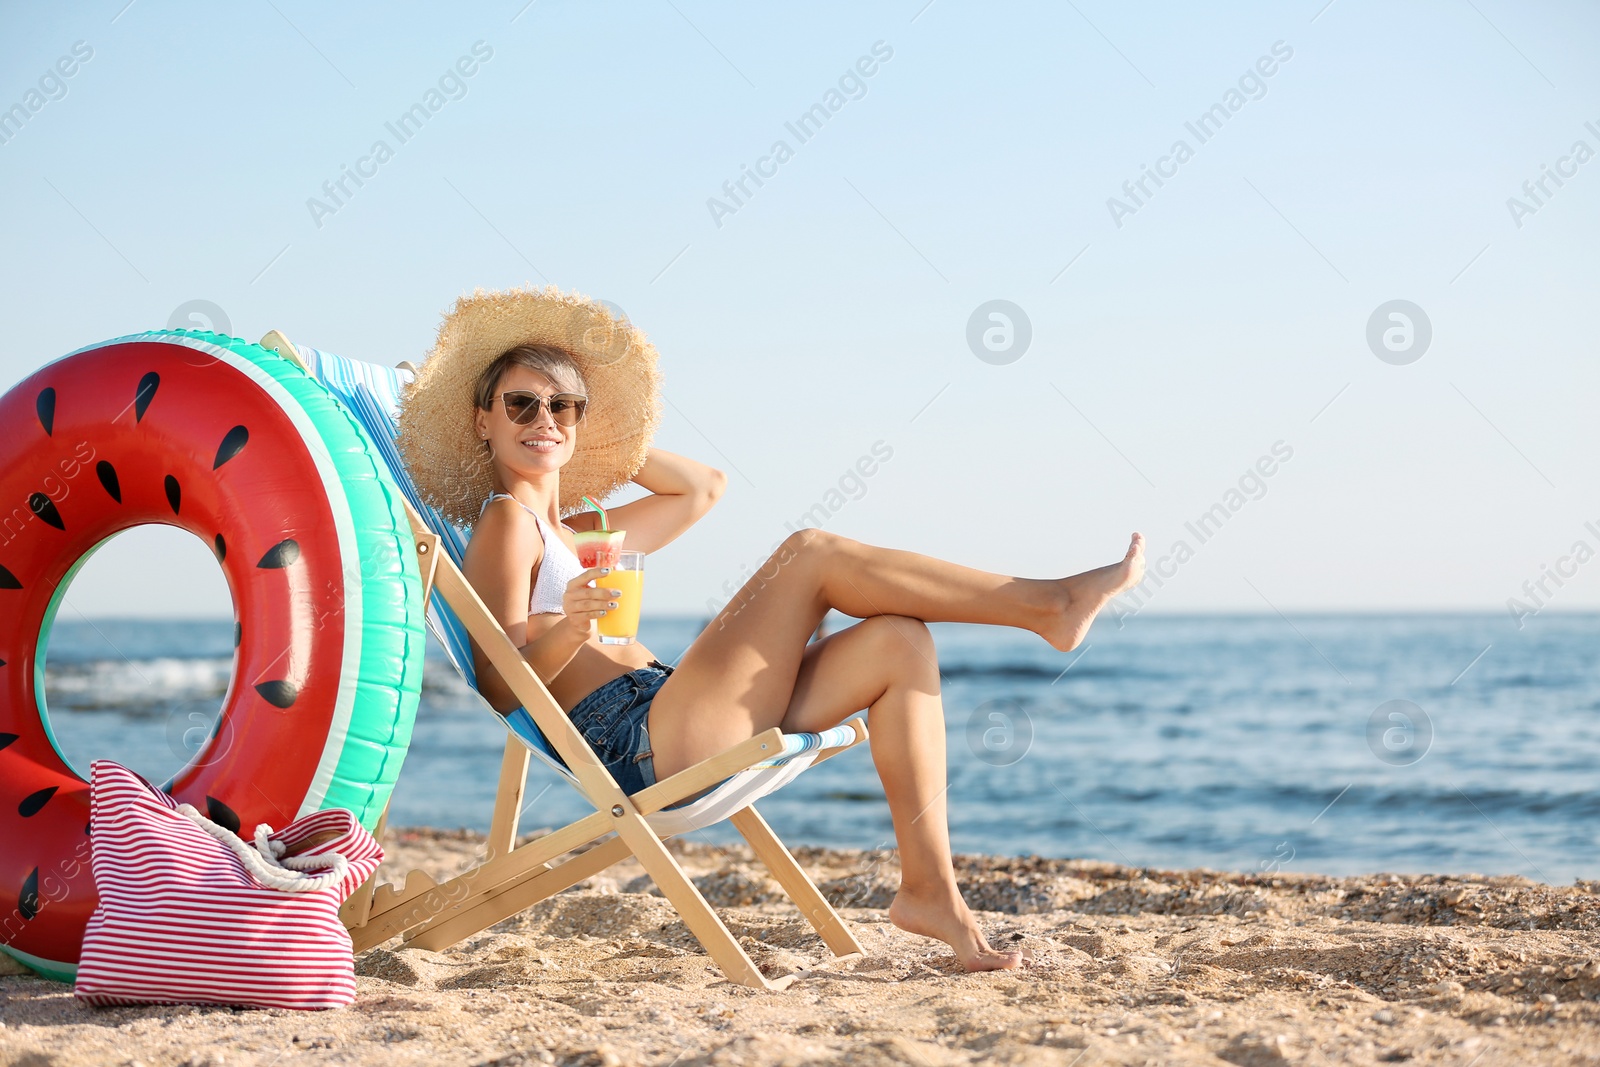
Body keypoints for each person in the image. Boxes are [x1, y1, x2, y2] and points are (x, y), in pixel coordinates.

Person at [398, 285, 1145, 972]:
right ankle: (1043, 605)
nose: (543, 421)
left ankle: (929, 892)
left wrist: (597, 437)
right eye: (522, 404)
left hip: (670, 705)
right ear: (482, 419)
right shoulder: (507, 524)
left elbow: (702, 489)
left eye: (563, 407)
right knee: (810, 552)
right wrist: (570, 625)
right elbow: (502, 679)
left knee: (899, 642)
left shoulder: (583, 529)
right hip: (642, 737)